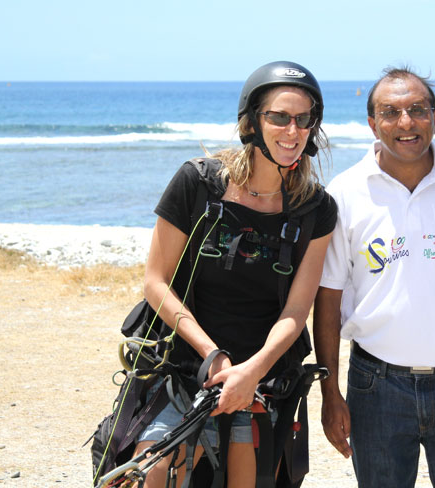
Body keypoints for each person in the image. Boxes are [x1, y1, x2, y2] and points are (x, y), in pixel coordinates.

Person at [132, 61, 337, 487]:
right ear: (251, 122)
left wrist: (252, 371)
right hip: (186, 367)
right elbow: (156, 282)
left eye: (304, 120)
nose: (293, 130)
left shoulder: (316, 209)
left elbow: (298, 309)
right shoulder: (198, 183)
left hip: (264, 377)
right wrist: (213, 356)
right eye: (279, 117)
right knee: (152, 474)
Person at [314, 67, 435, 488]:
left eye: (418, 110)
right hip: (376, 386)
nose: (406, 122)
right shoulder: (344, 192)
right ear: (372, 123)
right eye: (390, 112)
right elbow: (328, 298)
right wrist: (329, 393)